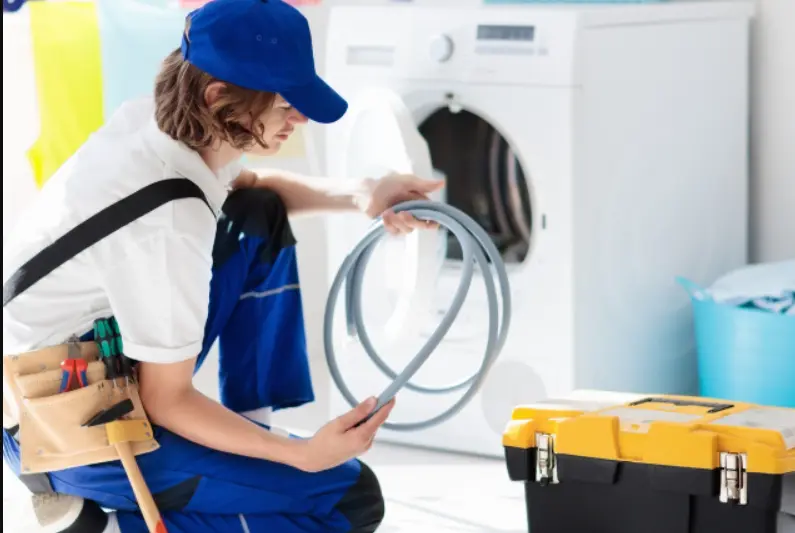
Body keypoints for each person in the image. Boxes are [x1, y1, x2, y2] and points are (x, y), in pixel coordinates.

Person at [2, 1, 443, 532]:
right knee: (348, 497)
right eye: (285, 103)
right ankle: (110, 524)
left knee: (255, 216)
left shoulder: (158, 120)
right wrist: (296, 456)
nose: (297, 119)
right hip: (58, 421)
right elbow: (167, 400)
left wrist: (364, 194)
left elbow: (252, 189)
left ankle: (246, 435)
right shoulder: (167, 221)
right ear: (219, 98)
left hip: (79, 353)